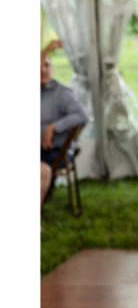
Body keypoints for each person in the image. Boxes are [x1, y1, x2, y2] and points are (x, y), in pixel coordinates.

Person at [40, 47, 88, 201]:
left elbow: (82, 115)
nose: (43, 70)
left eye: (47, 65)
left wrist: (53, 127)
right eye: (38, 65)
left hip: (54, 150)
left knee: (41, 171)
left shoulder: (60, 93)